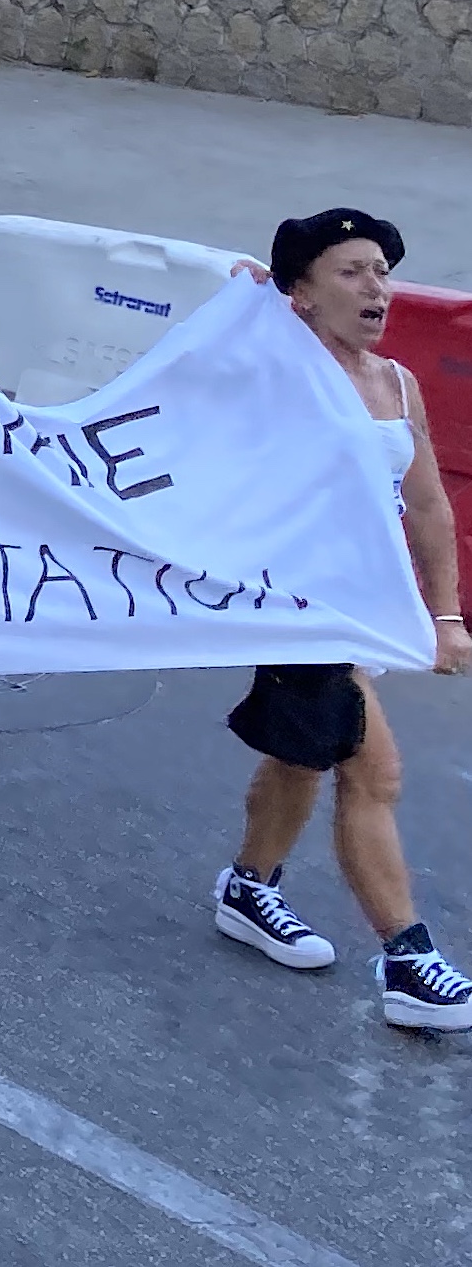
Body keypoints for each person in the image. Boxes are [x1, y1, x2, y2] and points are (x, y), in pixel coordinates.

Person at [212, 208, 472, 1032]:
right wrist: (245, 304)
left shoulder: (395, 383)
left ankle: (247, 889)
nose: (375, 288)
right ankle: (407, 960)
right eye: (350, 272)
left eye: (381, 272)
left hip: (357, 605)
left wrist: (445, 613)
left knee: (301, 757)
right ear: (301, 293)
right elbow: (187, 383)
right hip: (294, 603)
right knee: (373, 770)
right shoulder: (275, 364)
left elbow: (426, 505)